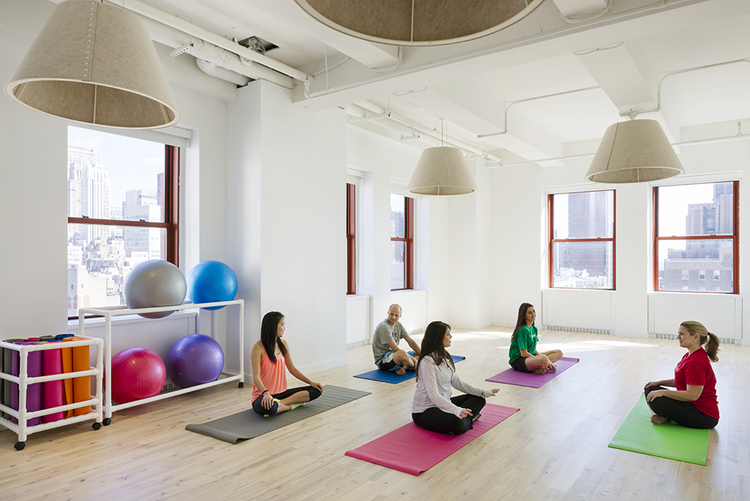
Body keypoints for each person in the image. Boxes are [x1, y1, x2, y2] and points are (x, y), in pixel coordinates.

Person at [412, 321, 499, 435]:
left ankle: (465, 420)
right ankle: (467, 420)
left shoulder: (444, 358)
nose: (451, 336)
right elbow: (433, 395)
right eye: (448, 334)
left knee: (479, 399)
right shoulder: (427, 362)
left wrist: (483, 392)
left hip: (442, 404)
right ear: (438, 338)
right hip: (425, 411)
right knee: (456, 423)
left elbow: (458, 383)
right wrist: (456, 410)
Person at [644, 321, 720, 429]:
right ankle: (664, 417)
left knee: (655, 399)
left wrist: (663, 392)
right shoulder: (690, 355)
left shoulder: (696, 362)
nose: (678, 337)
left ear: (696, 337)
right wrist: (658, 383)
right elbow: (683, 381)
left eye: (682, 334)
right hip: (690, 405)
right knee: (651, 389)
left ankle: (665, 417)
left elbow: (693, 395)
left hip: (704, 416)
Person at [251, 311, 323, 416]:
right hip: (262, 395)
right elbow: (256, 377)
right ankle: (289, 405)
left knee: (316, 390)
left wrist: (310, 382)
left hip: (282, 394)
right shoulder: (258, 348)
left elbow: (292, 369)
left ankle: (281, 404)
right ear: (273, 326)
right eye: (282, 325)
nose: (284, 328)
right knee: (268, 407)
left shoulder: (283, 344)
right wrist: (266, 393)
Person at [508, 302, 563, 374]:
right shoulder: (522, 330)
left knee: (558, 353)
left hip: (530, 357)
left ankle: (541, 366)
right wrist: (544, 359)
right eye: (530, 313)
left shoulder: (534, 328)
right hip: (519, 360)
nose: (533, 314)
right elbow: (523, 353)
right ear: (524, 316)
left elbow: (533, 349)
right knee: (544, 358)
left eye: (533, 311)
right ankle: (540, 366)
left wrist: (544, 359)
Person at [372, 304, 421, 375]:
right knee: (403, 353)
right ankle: (414, 365)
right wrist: (415, 361)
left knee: (418, 354)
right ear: (388, 313)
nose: (393, 317)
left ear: (400, 316)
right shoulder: (384, 327)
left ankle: (403, 367)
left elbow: (411, 342)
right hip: (383, 360)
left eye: (396, 315)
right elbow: (396, 349)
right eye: (391, 314)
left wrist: (423, 354)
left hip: (395, 355)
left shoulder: (398, 325)